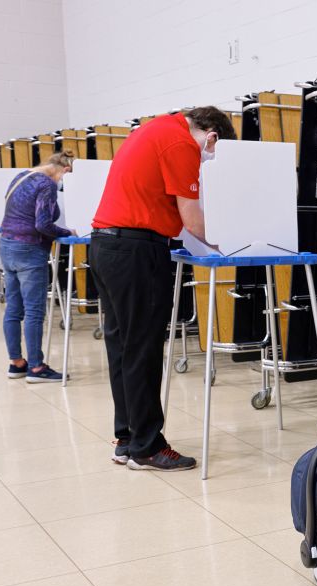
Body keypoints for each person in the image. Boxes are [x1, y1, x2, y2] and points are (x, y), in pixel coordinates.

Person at [88, 107, 236, 471]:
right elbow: (193, 219)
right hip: (137, 250)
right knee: (144, 348)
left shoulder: (153, 130)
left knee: (123, 347)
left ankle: (128, 438)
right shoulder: (181, 142)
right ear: (211, 136)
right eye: (212, 154)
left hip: (107, 245)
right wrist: (232, 242)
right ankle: (148, 447)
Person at [0, 151, 76, 382]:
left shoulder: (21, 176)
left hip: (7, 245)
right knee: (34, 311)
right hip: (29, 249)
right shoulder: (47, 184)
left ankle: (17, 363)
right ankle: (36, 367)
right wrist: (66, 232)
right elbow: (43, 223)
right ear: (64, 170)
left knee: (14, 309)